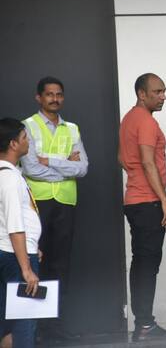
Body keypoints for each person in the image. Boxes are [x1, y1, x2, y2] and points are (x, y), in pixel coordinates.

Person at [20, 76, 88, 341]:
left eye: (59, 94)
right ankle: (33, 328)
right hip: (38, 203)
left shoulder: (72, 128)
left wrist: (50, 160)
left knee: (61, 265)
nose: (55, 99)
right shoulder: (29, 126)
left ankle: (54, 325)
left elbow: (82, 168)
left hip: (65, 203)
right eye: (49, 94)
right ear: (39, 97)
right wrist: (64, 165)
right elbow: (31, 168)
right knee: (35, 261)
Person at [118, 73, 166, 342]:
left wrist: (138, 178)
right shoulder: (146, 121)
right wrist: (164, 199)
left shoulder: (130, 119)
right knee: (147, 265)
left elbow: (123, 157)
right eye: (157, 91)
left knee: (141, 263)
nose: (163, 96)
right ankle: (144, 325)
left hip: (136, 200)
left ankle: (143, 324)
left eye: (164, 91)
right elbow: (147, 161)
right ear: (142, 94)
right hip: (147, 203)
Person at [0, 118, 42, 348]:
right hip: (16, 257)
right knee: (24, 323)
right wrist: (26, 267)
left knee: (8, 325)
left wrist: (34, 244)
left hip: (16, 251)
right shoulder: (9, 178)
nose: (29, 142)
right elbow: (14, 224)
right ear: (13, 144)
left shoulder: (8, 174)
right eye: (25, 137)